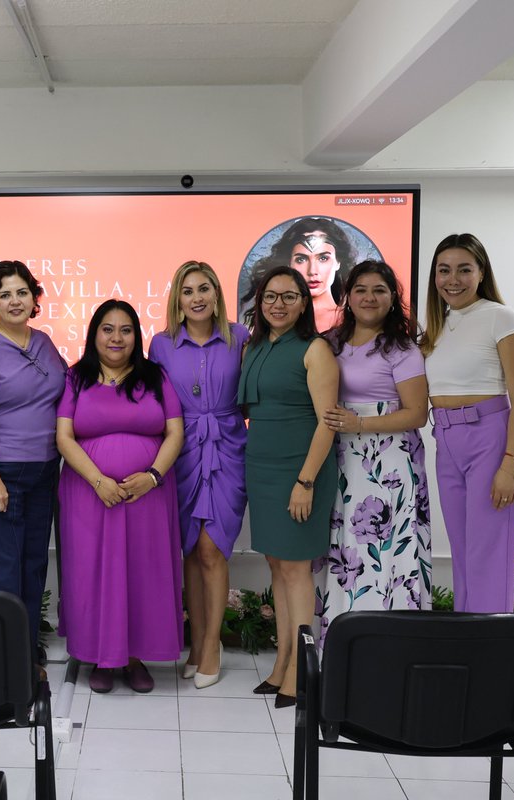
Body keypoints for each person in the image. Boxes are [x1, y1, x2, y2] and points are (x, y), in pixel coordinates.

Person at [55, 300, 185, 693]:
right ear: (94, 334)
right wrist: (98, 481)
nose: (116, 337)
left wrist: (153, 476)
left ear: (136, 336)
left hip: (147, 496)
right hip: (88, 494)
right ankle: (98, 656)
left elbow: (175, 432)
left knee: (143, 571)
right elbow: (63, 436)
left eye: (125, 329)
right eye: (107, 329)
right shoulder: (76, 378)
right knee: (91, 572)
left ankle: (134, 658)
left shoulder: (155, 376)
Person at [314, 261, 432, 644]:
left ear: (392, 298)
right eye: (361, 289)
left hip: (388, 463)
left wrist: (360, 424)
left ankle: (387, 648)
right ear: (347, 296)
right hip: (339, 458)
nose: (369, 297)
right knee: (343, 548)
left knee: (383, 548)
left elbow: (416, 414)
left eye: (379, 290)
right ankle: (341, 644)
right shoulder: (329, 342)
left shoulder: (402, 349)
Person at [238, 265, 338, 708]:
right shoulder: (257, 345)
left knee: (296, 571)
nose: (278, 304)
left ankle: (302, 672)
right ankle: (281, 664)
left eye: (289, 296)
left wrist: (305, 481)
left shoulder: (315, 349)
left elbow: (327, 423)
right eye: (270, 297)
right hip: (261, 467)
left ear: (304, 303)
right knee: (277, 568)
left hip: (300, 471)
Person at [0, 261, 67, 658]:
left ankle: (23, 645)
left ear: (34, 298)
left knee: (33, 561)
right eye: (4, 294)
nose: (14, 301)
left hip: (44, 470)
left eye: (22, 292)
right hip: (0, 470)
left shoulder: (44, 342)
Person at [148, 261, 248, 689]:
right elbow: (153, 404)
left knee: (213, 548)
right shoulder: (161, 344)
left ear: (217, 292)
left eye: (204, 288)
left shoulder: (240, 337)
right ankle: (197, 644)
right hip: (181, 451)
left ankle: (211, 645)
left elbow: (251, 397)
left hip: (227, 447)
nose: (197, 298)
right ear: (177, 299)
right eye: (187, 291)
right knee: (188, 548)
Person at [420, 234, 514, 613]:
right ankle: (468, 653)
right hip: (447, 441)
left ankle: (494, 664)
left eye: (464, 269)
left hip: (491, 440)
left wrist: (510, 463)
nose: (453, 279)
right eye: (444, 270)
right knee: (464, 557)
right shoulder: (435, 327)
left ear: (481, 273)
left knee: (489, 559)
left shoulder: (501, 317)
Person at [241, 217, 356, 332]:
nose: (312, 271)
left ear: (338, 262)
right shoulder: (273, 318)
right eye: (301, 259)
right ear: (289, 263)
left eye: (323, 258)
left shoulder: (354, 320)